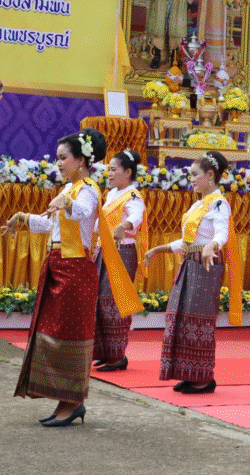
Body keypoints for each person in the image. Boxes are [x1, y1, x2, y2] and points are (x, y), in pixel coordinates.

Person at [2, 128, 108, 427]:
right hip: (59, 265)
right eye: (58, 158)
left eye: (63, 158)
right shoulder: (69, 189)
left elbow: (85, 211)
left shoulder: (87, 189)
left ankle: (73, 401)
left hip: (75, 269)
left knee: (70, 335)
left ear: (81, 160)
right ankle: (66, 399)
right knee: (53, 334)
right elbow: (49, 224)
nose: (58, 163)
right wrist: (22, 218)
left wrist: (68, 204)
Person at [144, 151, 241, 394]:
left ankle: (203, 377)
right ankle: (189, 373)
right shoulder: (200, 203)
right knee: (182, 317)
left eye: (195, 175)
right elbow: (189, 240)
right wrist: (161, 248)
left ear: (210, 175)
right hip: (192, 261)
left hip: (205, 265)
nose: (192, 179)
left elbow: (221, 234)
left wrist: (212, 246)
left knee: (198, 320)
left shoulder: (219, 202)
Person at [92, 149, 148, 372]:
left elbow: (136, 217)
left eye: (113, 169)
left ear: (128, 172)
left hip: (122, 252)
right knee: (99, 300)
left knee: (113, 302)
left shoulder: (133, 196)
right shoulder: (112, 194)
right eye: (108, 169)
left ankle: (117, 356)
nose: (110, 173)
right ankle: (105, 352)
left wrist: (122, 227)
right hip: (103, 250)